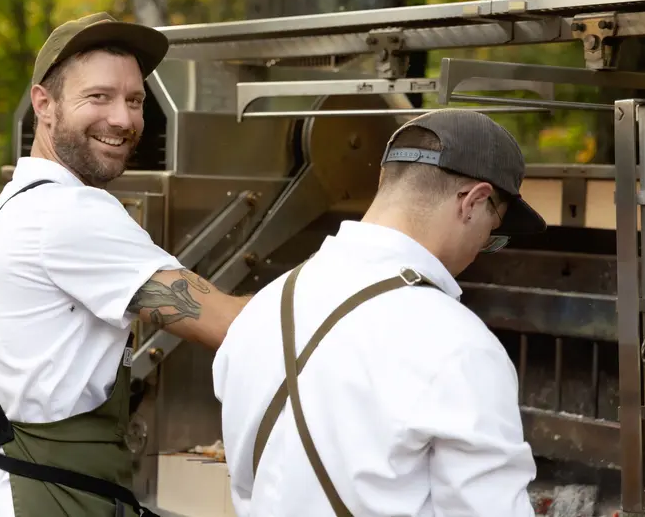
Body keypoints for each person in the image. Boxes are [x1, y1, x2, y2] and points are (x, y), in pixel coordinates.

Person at [0, 12, 249, 517]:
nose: (123, 120)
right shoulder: (73, 211)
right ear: (45, 104)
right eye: (98, 97)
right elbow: (231, 325)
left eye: (135, 100)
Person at [213, 108, 546, 517]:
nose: (483, 246)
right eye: (494, 230)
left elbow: (247, 484)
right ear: (473, 202)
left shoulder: (263, 308)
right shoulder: (459, 345)